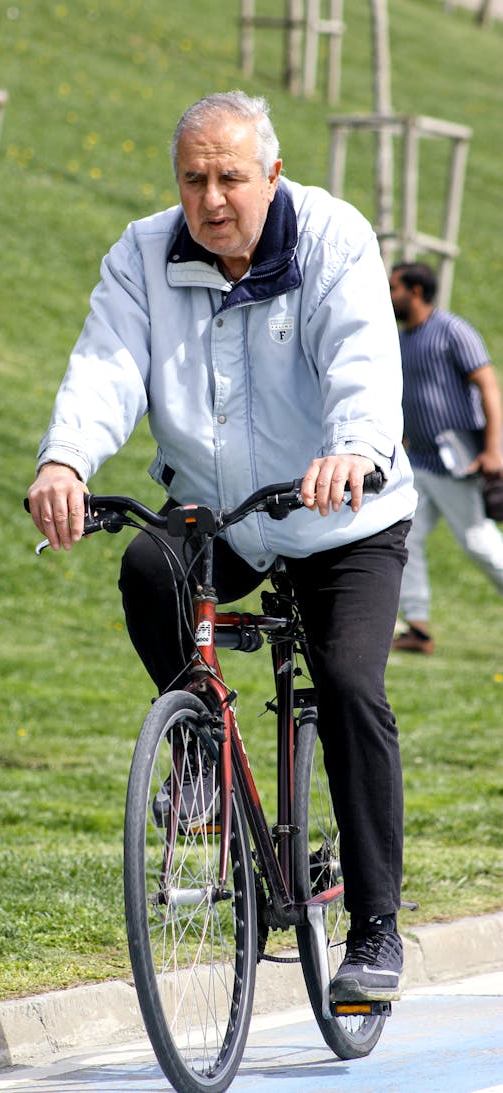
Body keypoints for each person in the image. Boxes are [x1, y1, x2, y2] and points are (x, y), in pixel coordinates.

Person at [27, 91, 416, 1003]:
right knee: (146, 563)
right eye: (194, 178)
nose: (211, 198)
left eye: (231, 177)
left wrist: (354, 448)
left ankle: (375, 926)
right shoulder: (144, 254)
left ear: (270, 175)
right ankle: (203, 757)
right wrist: (65, 459)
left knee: (352, 683)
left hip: (342, 512)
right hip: (225, 510)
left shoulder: (331, 238)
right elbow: (107, 364)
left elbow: (363, 351)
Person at [389, 261, 503, 654]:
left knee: (479, 542)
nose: (389, 296)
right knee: (407, 539)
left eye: (394, 288)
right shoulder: (402, 339)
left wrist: (493, 450)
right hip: (419, 463)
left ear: (416, 292)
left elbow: (488, 385)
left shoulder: (452, 330)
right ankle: (417, 628)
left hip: (459, 463)